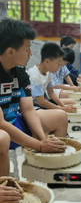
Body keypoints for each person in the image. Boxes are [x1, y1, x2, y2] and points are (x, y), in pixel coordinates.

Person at [0, 18, 67, 153]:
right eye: (27, 49)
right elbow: (1, 124)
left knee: (61, 116)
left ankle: (52, 165)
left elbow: (29, 110)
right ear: (10, 52)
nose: (31, 54)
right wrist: (39, 145)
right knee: (3, 138)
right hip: (3, 129)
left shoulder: (20, 73)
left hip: (15, 122)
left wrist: (43, 139)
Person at [27, 42, 77, 112]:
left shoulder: (48, 73)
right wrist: (62, 109)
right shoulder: (35, 75)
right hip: (33, 106)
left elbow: (51, 93)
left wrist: (63, 106)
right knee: (60, 114)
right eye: (58, 63)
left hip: (42, 103)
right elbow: (41, 101)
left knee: (72, 103)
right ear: (47, 62)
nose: (60, 66)